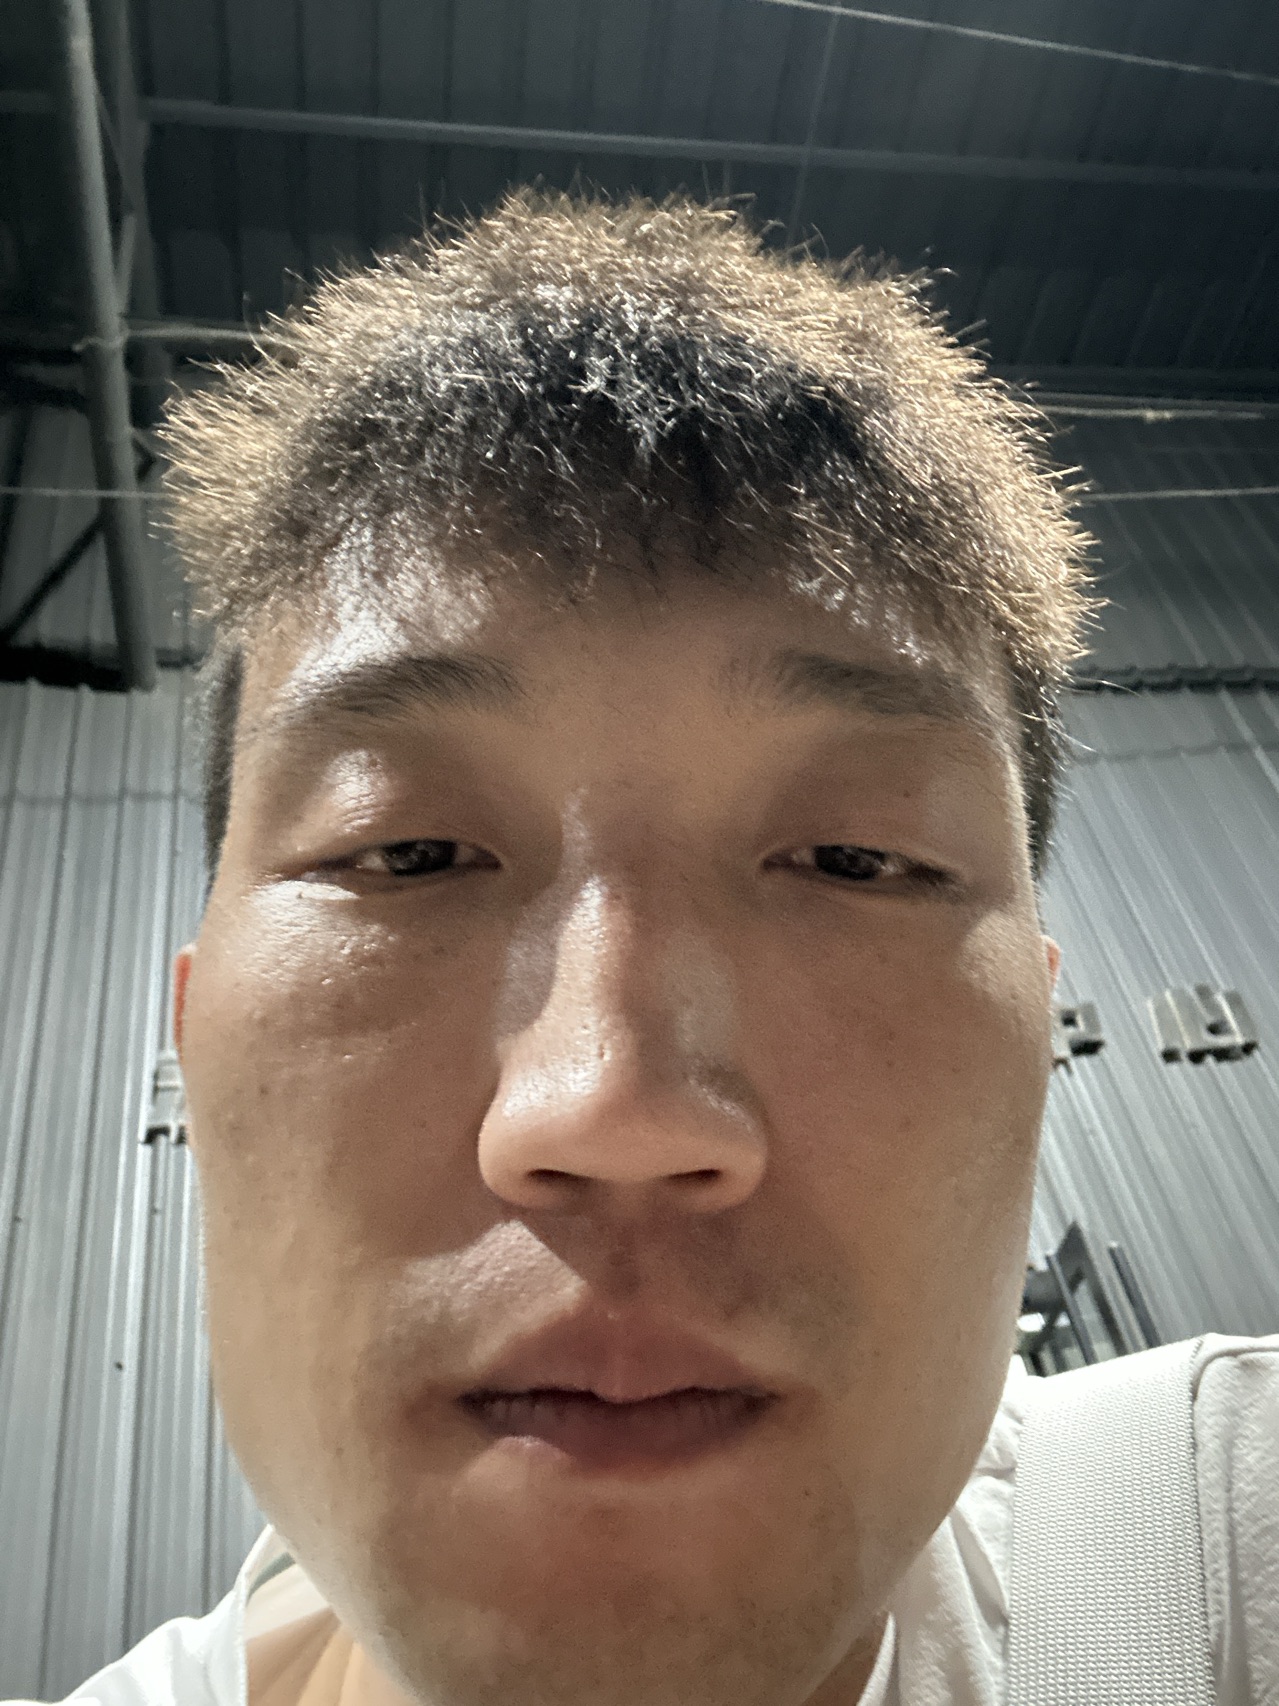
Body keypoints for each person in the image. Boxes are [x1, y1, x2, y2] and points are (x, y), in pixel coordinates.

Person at [16, 191, 1276, 1706]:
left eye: (856, 859)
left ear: (1037, 1044)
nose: (613, 1113)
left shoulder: (1230, 1559)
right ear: (195, 1043)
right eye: (406, 854)